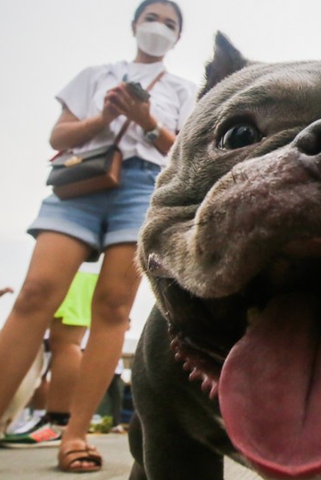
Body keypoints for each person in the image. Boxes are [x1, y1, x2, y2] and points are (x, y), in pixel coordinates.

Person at [0, 0, 194, 472]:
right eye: (153, 19)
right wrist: (105, 117)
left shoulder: (185, 90)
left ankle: (76, 433)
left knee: (112, 307)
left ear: (178, 37)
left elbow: (186, 153)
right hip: (81, 184)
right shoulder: (95, 74)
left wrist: (148, 122)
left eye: (170, 24)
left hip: (143, 186)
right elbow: (58, 137)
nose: (159, 28)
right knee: (36, 294)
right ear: (134, 25)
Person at [1, 271, 98, 447]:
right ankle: (56, 422)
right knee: (66, 343)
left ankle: (56, 422)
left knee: (66, 342)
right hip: (85, 269)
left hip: (78, 266)